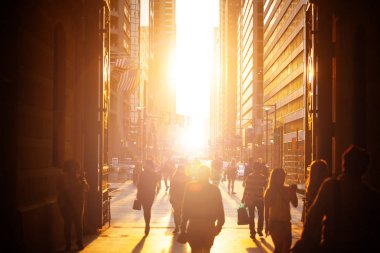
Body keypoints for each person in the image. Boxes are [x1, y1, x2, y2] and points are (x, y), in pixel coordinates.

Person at [292, 145, 380, 253]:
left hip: (331, 246)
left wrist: (304, 240)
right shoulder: (371, 195)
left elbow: (313, 216)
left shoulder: (331, 187)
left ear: (344, 164)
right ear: (364, 169)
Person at [179, 165, 225, 253]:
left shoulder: (190, 187)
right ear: (209, 175)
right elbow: (220, 211)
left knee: (195, 250)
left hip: (194, 226)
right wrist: (218, 227)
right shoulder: (215, 190)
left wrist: (183, 228)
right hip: (209, 226)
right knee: (207, 250)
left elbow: (185, 209)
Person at [57, 160, 89, 251]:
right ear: (67, 169)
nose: (74, 170)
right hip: (67, 204)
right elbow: (63, 189)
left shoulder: (79, 178)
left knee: (78, 224)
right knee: (68, 224)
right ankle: (69, 244)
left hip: (78, 204)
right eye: (71, 168)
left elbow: (86, 188)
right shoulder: (63, 178)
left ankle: (79, 243)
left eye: (75, 168)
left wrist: (82, 181)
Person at [264, 168, 298, 253]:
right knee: (279, 247)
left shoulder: (288, 190)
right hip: (275, 224)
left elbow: (295, 204)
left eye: (283, 176)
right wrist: (267, 225)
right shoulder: (269, 191)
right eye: (280, 177)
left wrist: (294, 192)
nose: (282, 179)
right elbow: (266, 208)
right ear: (275, 178)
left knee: (286, 248)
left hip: (286, 223)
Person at [242, 162, 267, 238]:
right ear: (260, 169)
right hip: (260, 199)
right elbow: (265, 189)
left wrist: (243, 198)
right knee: (261, 215)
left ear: (253, 168)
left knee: (251, 216)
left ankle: (252, 232)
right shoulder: (263, 177)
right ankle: (259, 230)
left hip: (250, 199)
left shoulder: (249, 176)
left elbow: (246, 188)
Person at [136, 159, 160, 235]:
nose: (144, 165)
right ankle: (147, 224)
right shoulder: (145, 173)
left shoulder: (145, 173)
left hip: (148, 193)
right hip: (146, 193)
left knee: (147, 209)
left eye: (146, 164)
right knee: (146, 209)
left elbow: (139, 184)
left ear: (149, 165)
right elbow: (139, 184)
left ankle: (147, 224)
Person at [169, 163, 191, 233]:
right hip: (185, 198)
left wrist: (171, 197)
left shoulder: (174, 178)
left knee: (176, 213)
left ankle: (177, 227)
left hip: (176, 198)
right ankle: (182, 227)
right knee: (184, 213)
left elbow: (171, 189)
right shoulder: (187, 178)